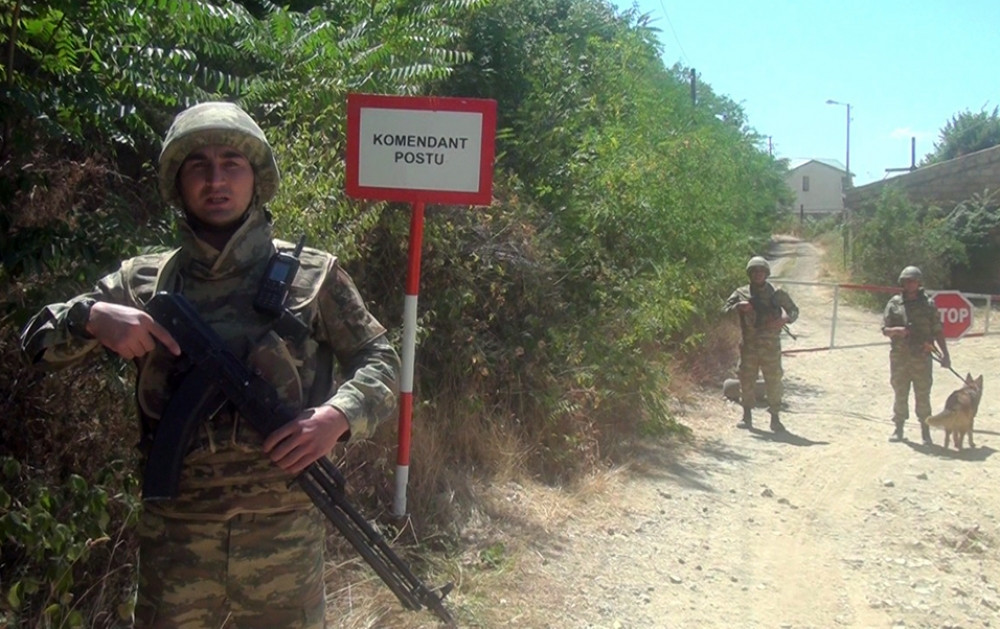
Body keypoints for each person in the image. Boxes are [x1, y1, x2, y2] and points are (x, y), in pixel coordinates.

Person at [20, 101, 400, 628]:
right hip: (177, 538)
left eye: (232, 164)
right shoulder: (144, 283)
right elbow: (35, 342)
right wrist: (90, 317)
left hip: (282, 537)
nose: (216, 179)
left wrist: (338, 417)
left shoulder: (313, 277)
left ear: (256, 179)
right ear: (178, 181)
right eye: (199, 164)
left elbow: (382, 361)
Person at [723, 255, 799, 433]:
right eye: (755, 271)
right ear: (750, 274)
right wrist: (739, 307)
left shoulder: (776, 293)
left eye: (761, 271)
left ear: (766, 273)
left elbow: (794, 311)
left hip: (771, 346)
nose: (758, 274)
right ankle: (746, 415)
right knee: (746, 380)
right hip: (749, 345)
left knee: (774, 381)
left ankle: (775, 418)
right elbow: (724, 310)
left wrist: (784, 319)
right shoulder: (741, 293)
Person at [881, 265, 949, 444]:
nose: (910, 284)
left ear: (919, 283)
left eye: (913, 281)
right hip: (900, 357)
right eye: (906, 281)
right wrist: (897, 330)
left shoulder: (928, 305)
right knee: (900, 392)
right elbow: (885, 330)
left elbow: (938, 331)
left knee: (923, 394)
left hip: (921, 357)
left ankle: (925, 431)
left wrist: (945, 355)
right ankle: (899, 428)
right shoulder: (894, 304)